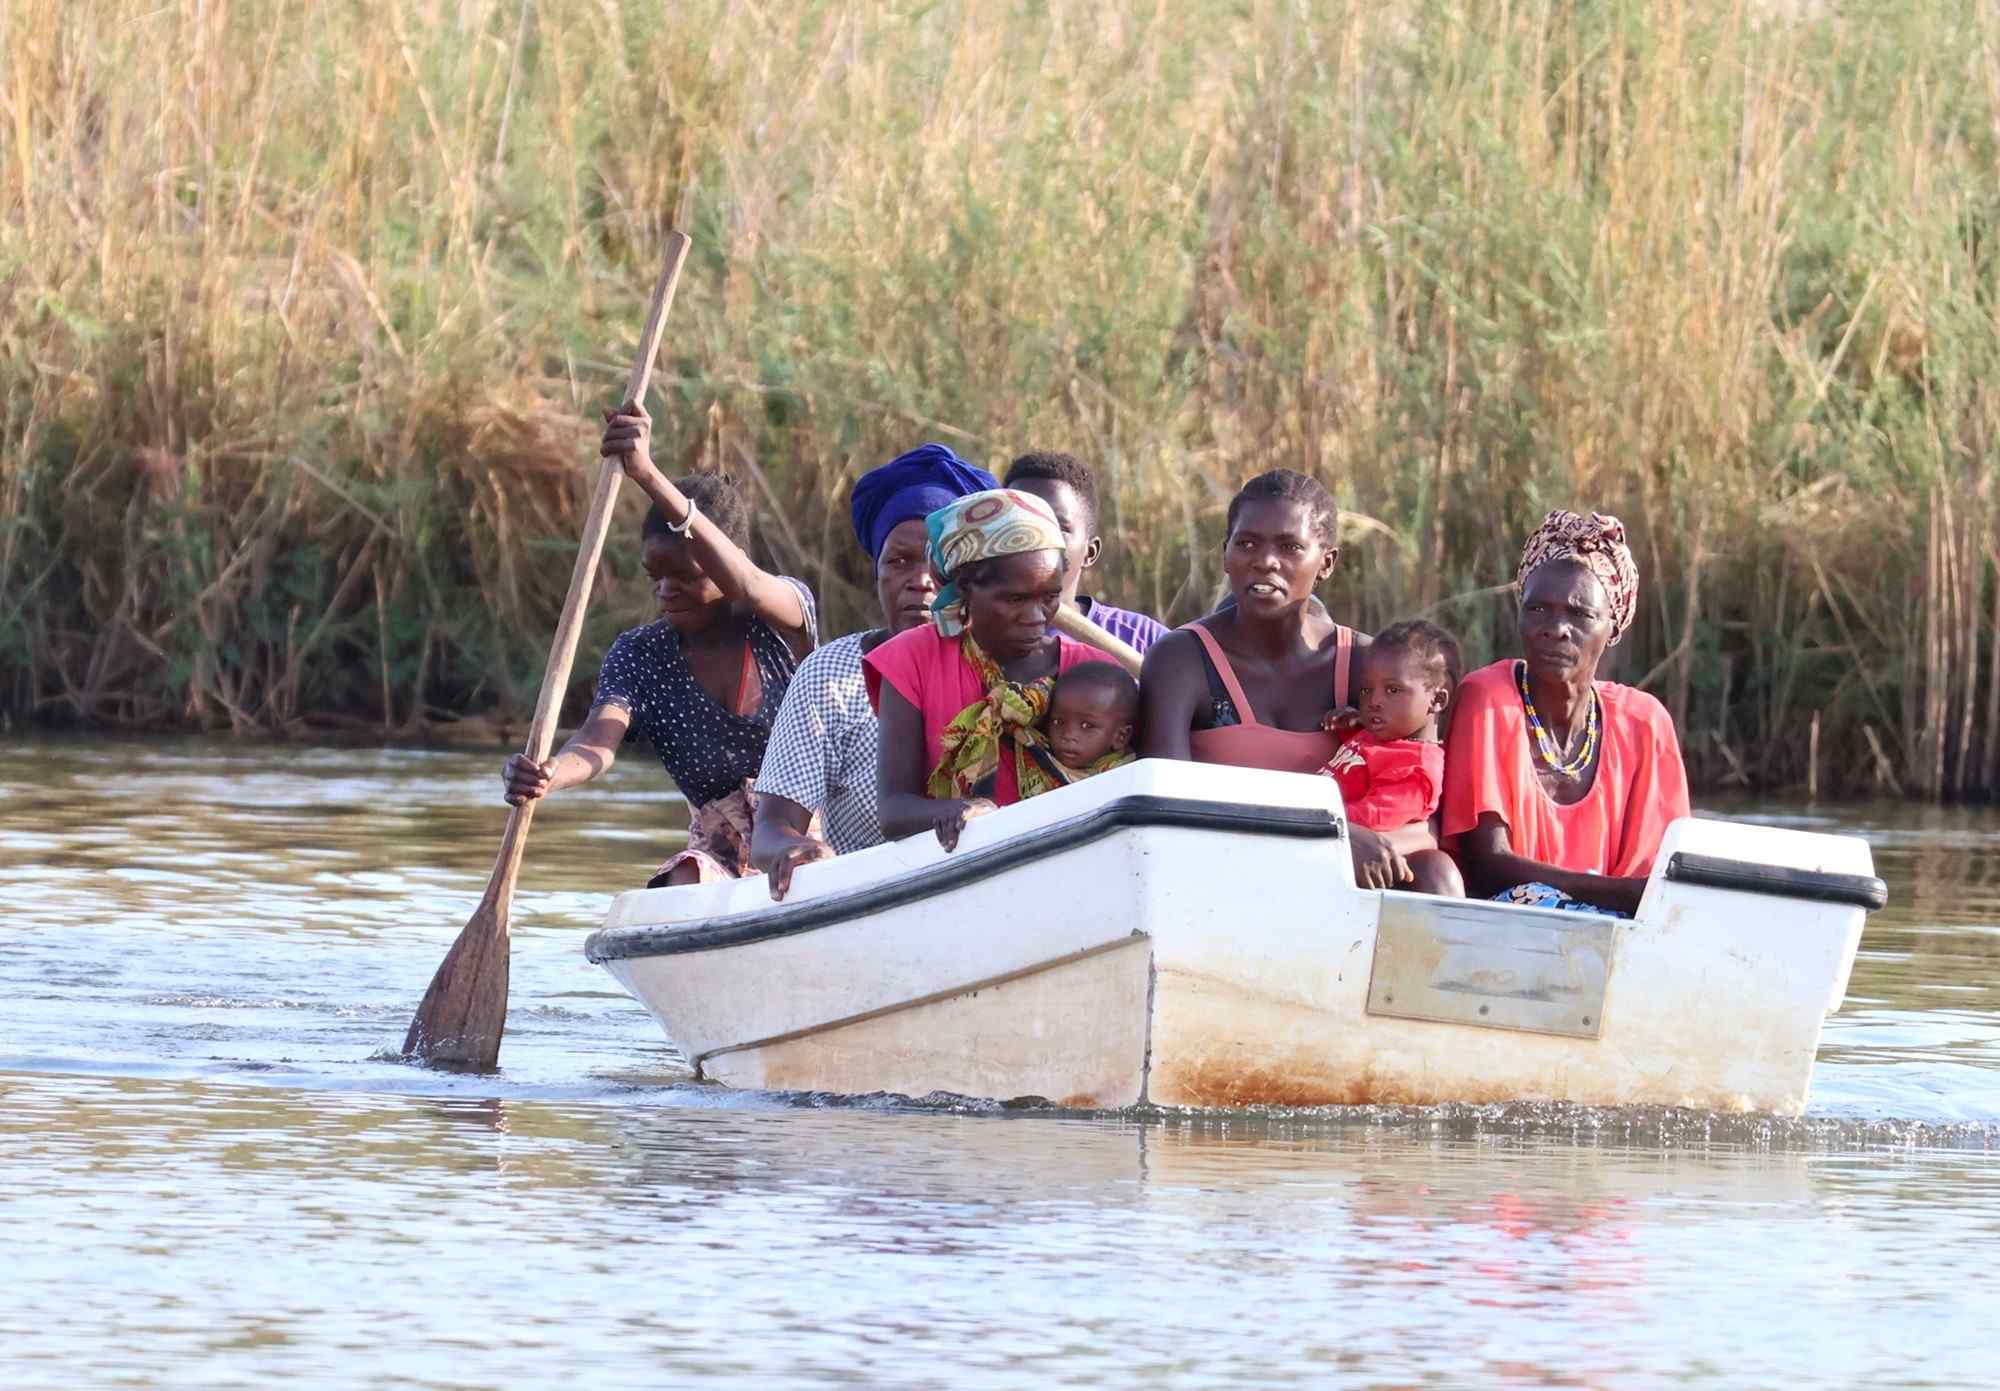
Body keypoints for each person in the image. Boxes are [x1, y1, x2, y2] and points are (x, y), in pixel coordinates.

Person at [501, 404, 817, 886]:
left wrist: (646, 474)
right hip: (721, 857)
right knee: (685, 879)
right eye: (657, 577)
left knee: (811, 863)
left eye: (685, 576)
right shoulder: (641, 656)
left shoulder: (781, 618)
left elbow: (750, 586)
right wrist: (549, 774)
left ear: (725, 561)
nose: (666, 591)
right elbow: (595, 743)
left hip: (809, 838)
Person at [1140, 469, 1426, 890]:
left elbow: (1423, 803)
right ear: (1225, 554)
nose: (1265, 560)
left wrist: (1351, 847)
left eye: (1290, 546)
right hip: (1218, 878)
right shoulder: (1182, 660)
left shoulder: (1365, 664)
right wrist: (1327, 837)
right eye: (1247, 543)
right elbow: (1166, 811)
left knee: (1435, 871)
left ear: (1327, 562)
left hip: (1341, 884)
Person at [749, 444, 998, 899]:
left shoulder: (1006, 665)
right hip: (870, 899)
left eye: (937, 562)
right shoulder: (831, 675)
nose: (920, 580)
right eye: (899, 561)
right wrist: (794, 849)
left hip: (996, 883)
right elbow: (769, 831)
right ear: (877, 572)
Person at [1444, 509, 1691, 916]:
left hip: (1621, 935)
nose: (1556, 628)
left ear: (1612, 627)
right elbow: (1487, 867)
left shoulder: (1645, 723)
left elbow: (1656, 882)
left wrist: (1619, 900)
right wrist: (1611, 894)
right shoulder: (1487, 698)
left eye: (1580, 614)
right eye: (1538, 608)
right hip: (1506, 925)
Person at [864, 489, 1105, 850]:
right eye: (1015, 599)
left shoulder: (1094, 672)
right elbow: (894, 811)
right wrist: (962, 811)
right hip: (958, 876)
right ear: (964, 586)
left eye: (1049, 597)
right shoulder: (912, 659)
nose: (1037, 617)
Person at [1317, 620, 1464, 896]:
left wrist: (1309, 818)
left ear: (1437, 700)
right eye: (1366, 690)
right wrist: (1351, 726)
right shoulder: (1382, 737)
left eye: (1393, 690)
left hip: (1338, 857)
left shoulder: (1415, 767)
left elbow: (1374, 823)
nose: (1374, 700)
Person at [1002, 451, 1169, 653]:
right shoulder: (970, 639)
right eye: (1019, 523)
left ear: (1090, 553)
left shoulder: (1142, 639)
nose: (1034, 538)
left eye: (1057, 526)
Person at [1040, 661, 1140, 782]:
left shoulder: (1124, 780)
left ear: (1120, 737)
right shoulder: (1038, 754)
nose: (1068, 735)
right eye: (1058, 722)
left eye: (1086, 725)